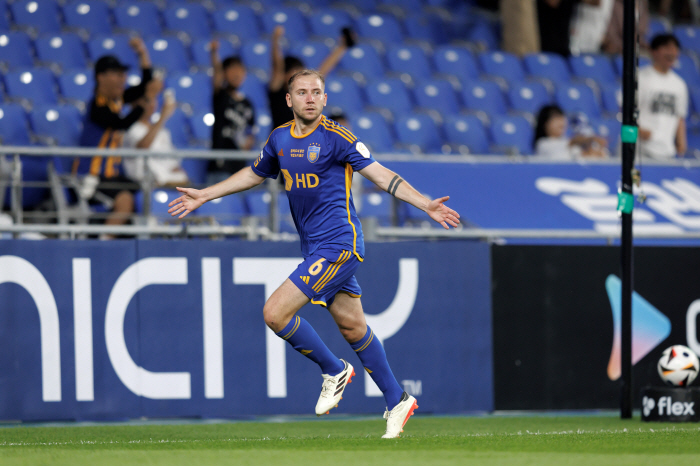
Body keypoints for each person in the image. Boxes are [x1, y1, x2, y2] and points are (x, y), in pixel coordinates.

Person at [168, 69, 460, 438]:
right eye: (302, 92)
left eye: (316, 92)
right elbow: (255, 174)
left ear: (324, 99)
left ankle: (334, 370)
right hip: (315, 247)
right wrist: (206, 194)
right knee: (353, 326)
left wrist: (424, 205)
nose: (310, 98)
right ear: (288, 100)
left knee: (274, 313)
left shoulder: (338, 138)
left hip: (340, 244)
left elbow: (380, 174)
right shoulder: (278, 139)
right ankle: (397, 399)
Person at [78, 37, 160, 238]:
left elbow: (144, 85)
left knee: (147, 191)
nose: (123, 79)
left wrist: (142, 53)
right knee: (124, 201)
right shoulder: (97, 106)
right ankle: (104, 244)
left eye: (124, 74)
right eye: (117, 74)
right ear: (101, 77)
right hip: (92, 177)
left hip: (112, 175)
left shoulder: (117, 100)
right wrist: (146, 101)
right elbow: (121, 123)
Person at [268, 26, 352, 129]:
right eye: (294, 74)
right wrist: (275, 39)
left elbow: (323, 71)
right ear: (284, 76)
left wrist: (342, 47)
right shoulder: (277, 92)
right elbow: (277, 67)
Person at [208, 40, 257, 182]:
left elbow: (251, 131)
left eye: (239, 69)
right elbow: (216, 78)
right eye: (231, 69)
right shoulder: (221, 96)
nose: (236, 74)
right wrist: (214, 53)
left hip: (239, 168)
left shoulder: (248, 104)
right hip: (219, 166)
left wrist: (248, 142)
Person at [122, 87, 189, 187]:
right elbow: (142, 148)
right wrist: (163, 116)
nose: (152, 104)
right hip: (144, 182)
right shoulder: (130, 128)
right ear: (135, 103)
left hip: (169, 179)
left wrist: (174, 166)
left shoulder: (162, 131)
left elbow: (170, 157)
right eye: (147, 100)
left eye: (154, 100)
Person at [637, 33, 688, 159]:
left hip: (666, 151)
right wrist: (638, 131)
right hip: (640, 151)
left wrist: (681, 144)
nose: (671, 52)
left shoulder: (679, 84)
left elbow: (679, 117)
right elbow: (624, 109)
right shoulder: (641, 77)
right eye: (666, 47)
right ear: (654, 51)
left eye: (675, 48)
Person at [533, 104, 608, 158]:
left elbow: (582, 155)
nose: (561, 121)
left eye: (561, 117)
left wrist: (595, 153)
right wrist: (587, 139)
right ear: (545, 123)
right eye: (555, 118)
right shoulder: (542, 144)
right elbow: (570, 144)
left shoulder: (568, 142)